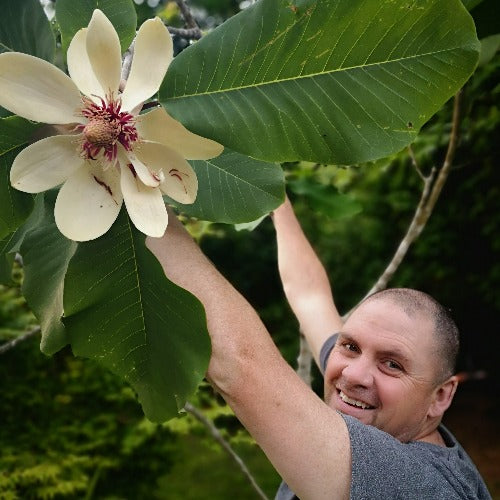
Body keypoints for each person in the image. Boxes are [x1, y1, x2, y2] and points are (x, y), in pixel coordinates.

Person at [146, 198, 491, 499]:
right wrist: (275, 199)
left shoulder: (418, 485)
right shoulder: (367, 391)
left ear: (441, 396)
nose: (352, 374)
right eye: (350, 346)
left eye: (392, 365)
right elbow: (309, 297)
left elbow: (239, 366)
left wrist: (136, 193)